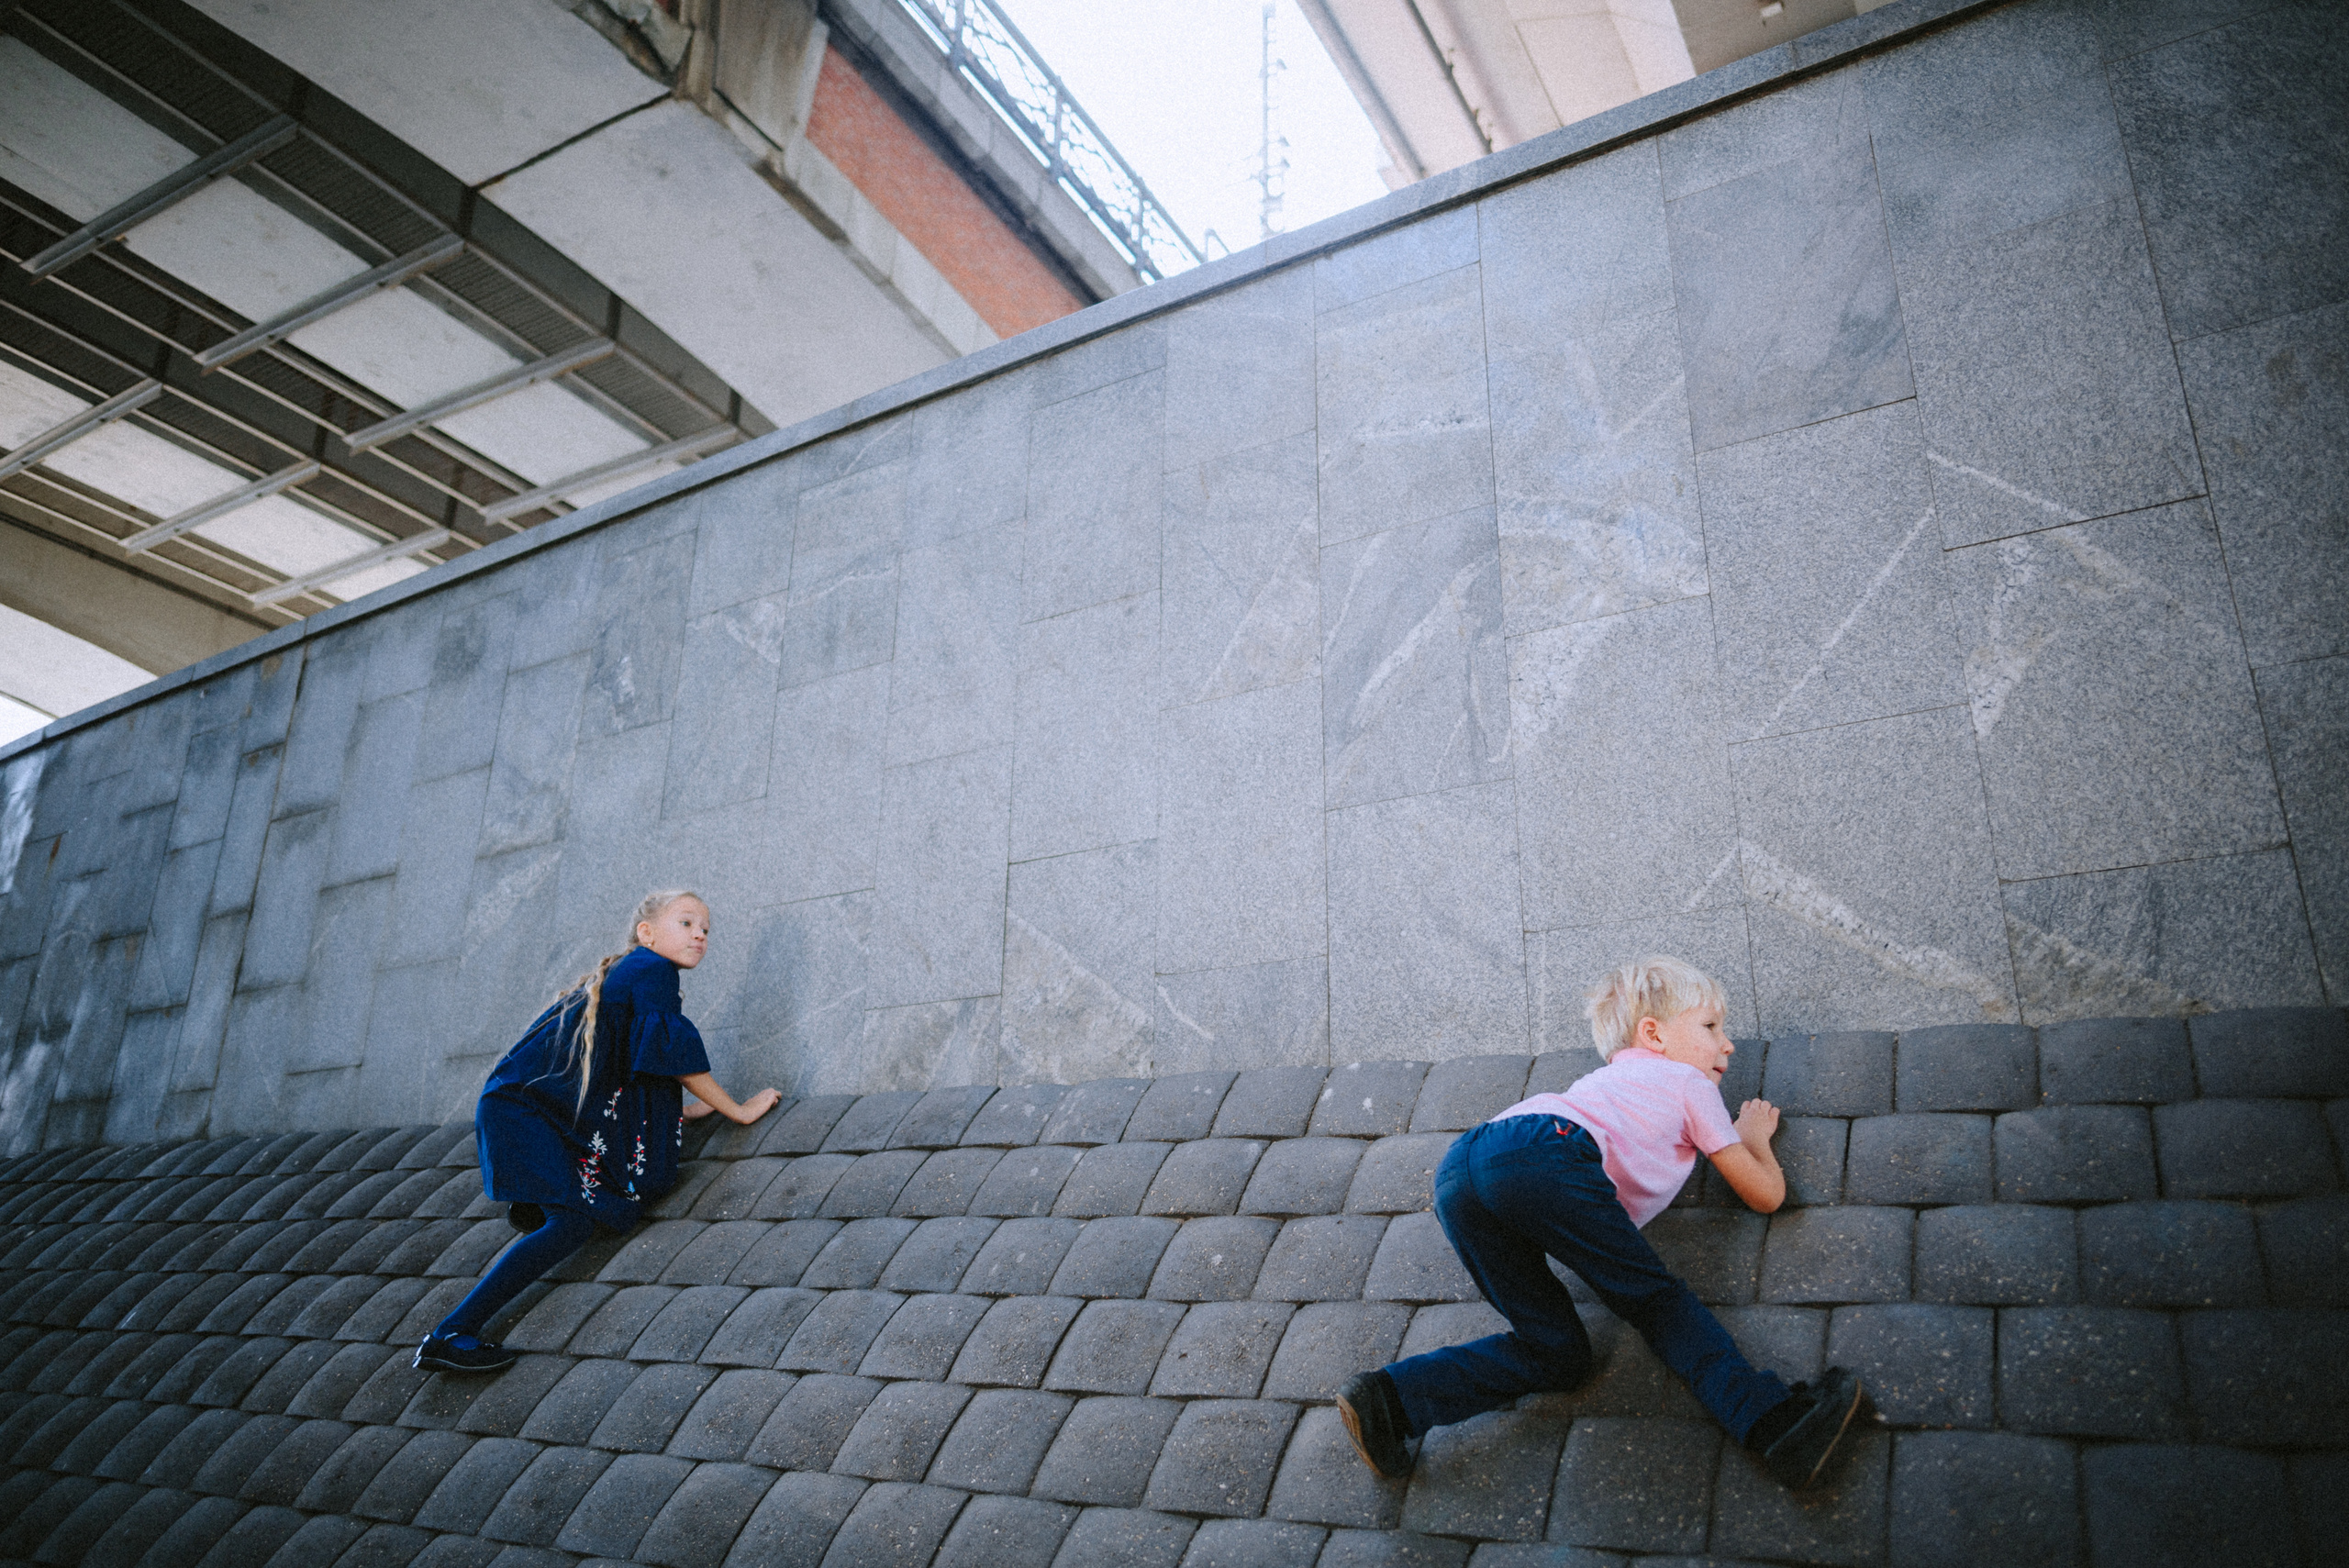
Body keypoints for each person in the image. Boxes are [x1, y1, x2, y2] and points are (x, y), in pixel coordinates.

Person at [1335, 956, 1866, 1491]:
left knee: (1557, 1354)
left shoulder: (1603, 1083)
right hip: (1545, 1150)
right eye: (1711, 1026)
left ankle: (1389, 1403)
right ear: (1653, 1034)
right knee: (1658, 1303)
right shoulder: (1687, 1082)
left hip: (1461, 1170)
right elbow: (1766, 1195)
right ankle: (1776, 1424)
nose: (1727, 1045)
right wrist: (1752, 1137)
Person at [413, 888, 782, 1373]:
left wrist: (680, 1114)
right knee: (572, 1222)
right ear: (647, 933)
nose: (700, 936)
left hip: (523, 1105)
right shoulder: (653, 969)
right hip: (528, 1110)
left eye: (706, 930)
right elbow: (673, 1054)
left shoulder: (632, 971)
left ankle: (462, 1320)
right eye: (687, 923)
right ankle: (449, 1334)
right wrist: (738, 1111)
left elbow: (628, 1066)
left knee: (573, 1221)